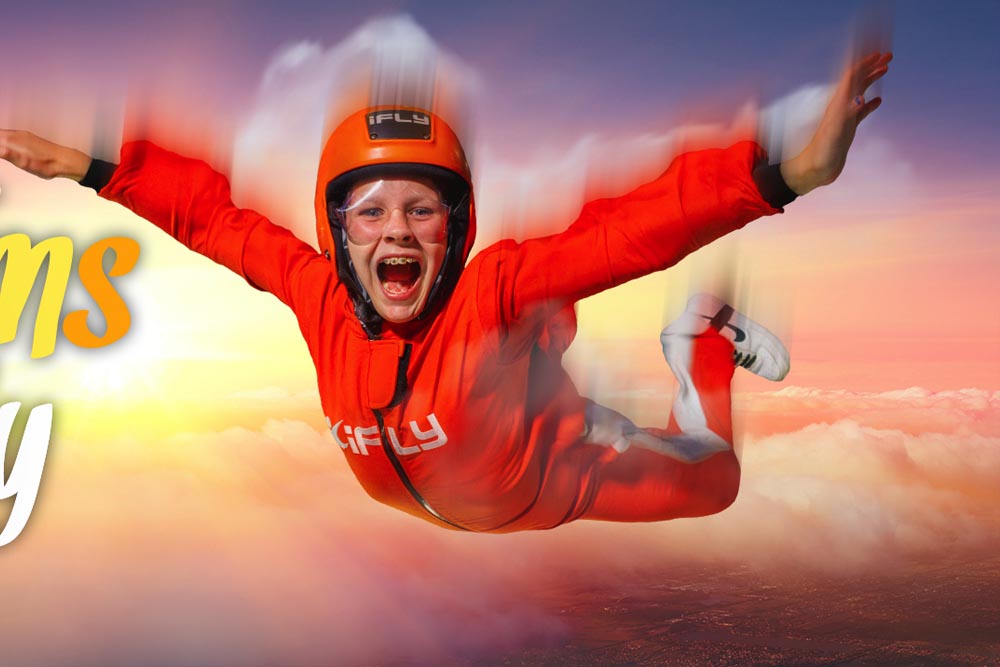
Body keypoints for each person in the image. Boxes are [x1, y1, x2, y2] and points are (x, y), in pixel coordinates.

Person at [0, 52, 892, 532]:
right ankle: (552, 345)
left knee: (719, 482)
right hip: (473, 477)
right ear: (335, 230)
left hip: (561, 476)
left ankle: (696, 337)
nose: (395, 232)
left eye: (421, 210)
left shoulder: (491, 288)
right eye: (371, 212)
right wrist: (89, 168)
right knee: (534, 331)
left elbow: (626, 234)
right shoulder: (317, 296)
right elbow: (212, 221)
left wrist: (782, 176)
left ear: (456, 228)